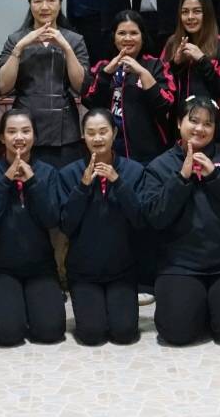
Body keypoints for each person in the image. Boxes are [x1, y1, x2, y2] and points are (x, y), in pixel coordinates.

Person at [142, 96, 220, 346]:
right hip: (179, 264)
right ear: (179, 123)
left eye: (208, 123)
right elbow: (155, 217)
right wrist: (181, 178)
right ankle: (201, 308)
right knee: (176, 334)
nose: (200, 128)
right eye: (193, 121)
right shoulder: (159, 166)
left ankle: (213, 307)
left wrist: (217, 176)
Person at [0, 110, 65, 346]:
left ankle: (32, 305)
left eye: (25, 131)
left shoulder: (48, 173)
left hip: (40, 266)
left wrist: (33, 182)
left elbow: (52, 219)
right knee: (7, 335)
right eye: (11, 131)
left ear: (35, 135)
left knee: (50, 332)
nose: (19, 137)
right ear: (1, 137)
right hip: (0, 268)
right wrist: (5, 181)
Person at [58, 109, 146, 345]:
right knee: (91, 334)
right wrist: (83, 187)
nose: (97, 138)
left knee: (125, 333)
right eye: (91, 133)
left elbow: (140, 219)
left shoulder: (134, 171)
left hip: (122, 270)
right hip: (84, 271)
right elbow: (66, 225)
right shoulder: (69, 174)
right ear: (83, 136)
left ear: (114, 133)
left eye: (103, 131)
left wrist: (118, 182)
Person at [0, 0, 89, 168]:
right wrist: (20, 47)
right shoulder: (16, 39)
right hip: (25, 126)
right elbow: (3, 87)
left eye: (51, 0)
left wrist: (66, 48)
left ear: (60, 3)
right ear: (30, 4)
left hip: (64, 130)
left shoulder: (74, 40)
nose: (44, 7)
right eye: (38, 1)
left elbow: (81, 87)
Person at [83, 10, 175, 162]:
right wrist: (106, 73)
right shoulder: (103, 67)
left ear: (143, 37)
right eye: (121, 33)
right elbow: (90, 102)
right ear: (114, 37)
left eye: (134, 33)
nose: (127, 38)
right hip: (110, 152)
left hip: (149, 153)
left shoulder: (156, 65)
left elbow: (165, 105)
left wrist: (142, 73)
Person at [161, 0, 220, 145]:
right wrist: (174, 65)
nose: (190, 17)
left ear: (207, 14)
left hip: (217, 134)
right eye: (185, 12)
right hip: (180, 133)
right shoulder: (172, 43)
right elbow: (160, 88)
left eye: (197, 11)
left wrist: (203, 60)